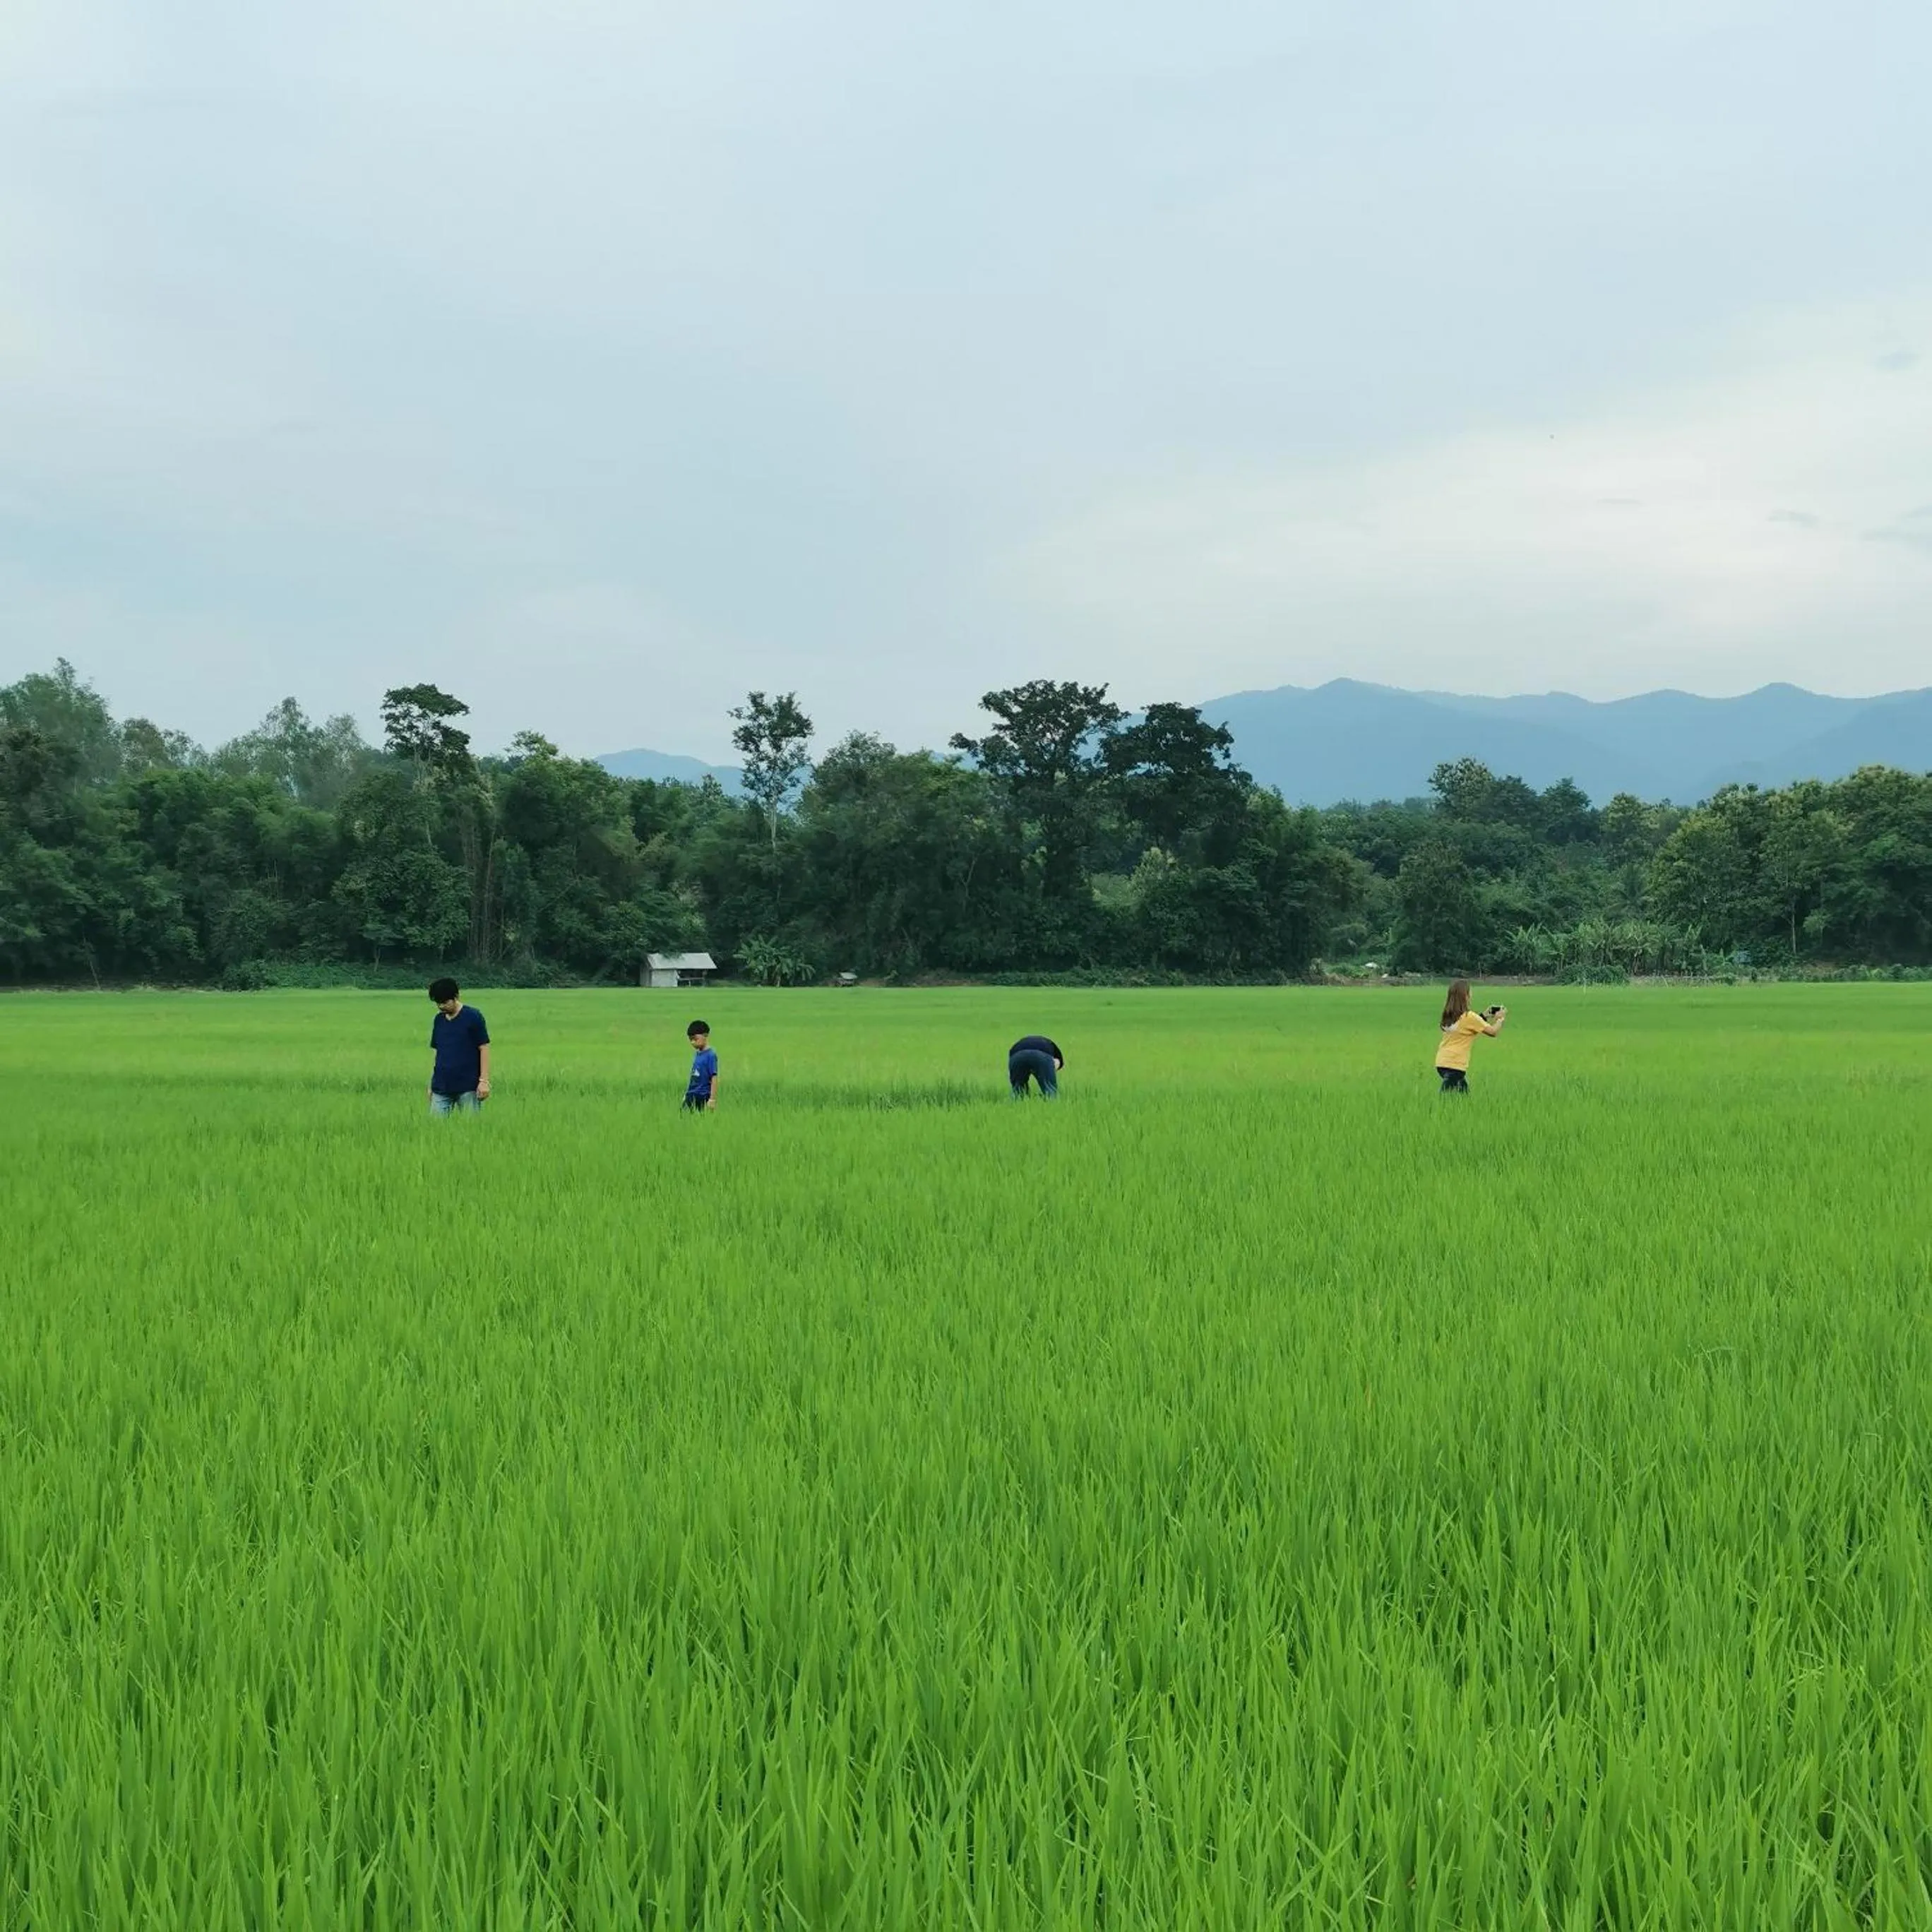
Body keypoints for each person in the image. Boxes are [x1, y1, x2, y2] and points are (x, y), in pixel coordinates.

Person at [427, 977, 490, 1114]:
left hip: (468, 1087)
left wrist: (484, 1081)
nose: (441, 1006)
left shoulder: (473, 1016)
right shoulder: (439, 1020)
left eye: (445, 1002)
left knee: (471, 1129)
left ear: (456, 997)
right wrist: (432, 1083)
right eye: (438, 1003)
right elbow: (438, 1052)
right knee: (434, 1131)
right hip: (441, 1086)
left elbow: (484, 1048)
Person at [1435, 980, 1504, 1093]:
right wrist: (1500, 1019)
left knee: (1462, 1097)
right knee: (1446, 1097)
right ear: (1465, 996)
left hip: (1442, 1062)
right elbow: (1493, 1032)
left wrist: (1484, 1015)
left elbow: (1466, 1027)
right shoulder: (1469, 1017)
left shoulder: (1450, 1016)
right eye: (1469, 992)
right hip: (1455, 1064)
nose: (1471, 995)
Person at [1008, 1033, 1063, 1099]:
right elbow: (1057, 1063)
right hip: (1041, 1055)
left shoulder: (1021, 1042)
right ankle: (1051, 1102)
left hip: (1016, 1056)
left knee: (1018, 1089)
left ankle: (1018, 1103)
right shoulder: (1055, 1052)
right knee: (1049, 1088)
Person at [684, 1020, 719, 1112]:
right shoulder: (697, 1054)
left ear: (705, 1035)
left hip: (703, 1094)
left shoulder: (711, 1055)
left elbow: (714, 1077)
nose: (692, 1043)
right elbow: (693, 1076)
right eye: (690, 1040)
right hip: (691, 1094)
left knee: (699, 1119)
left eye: (695, 1039)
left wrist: (712, 1099)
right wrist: (686, 1094)